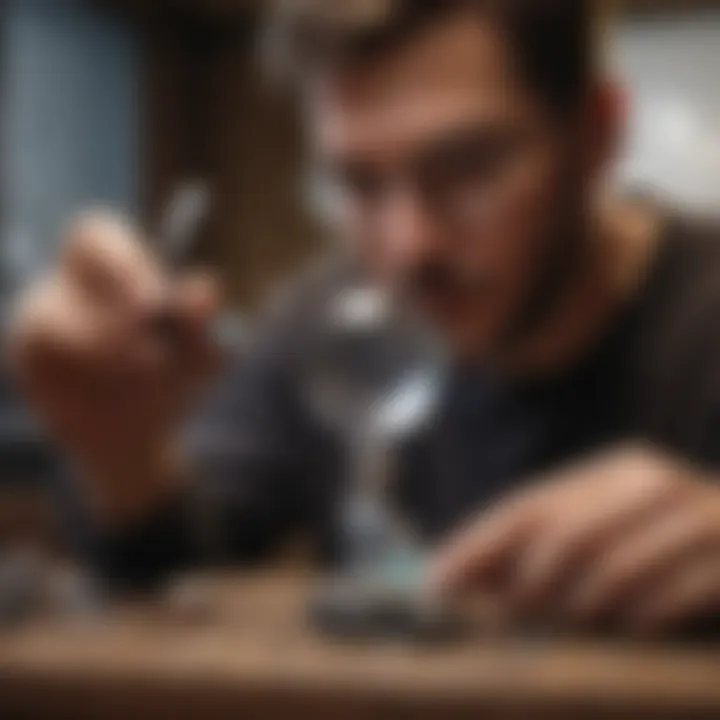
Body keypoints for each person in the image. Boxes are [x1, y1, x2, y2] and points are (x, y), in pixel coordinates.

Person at [8, 0, 720, 636]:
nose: (410, 246)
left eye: (469, 167)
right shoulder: (323, 326)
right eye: (357, 183)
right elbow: (190, 555)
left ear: (598, 133)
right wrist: (119, 454)